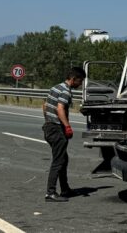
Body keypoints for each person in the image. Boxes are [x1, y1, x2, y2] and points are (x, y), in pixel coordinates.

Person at [42, 67, 85, 202]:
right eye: (80, 81)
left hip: (49, 126)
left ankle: (65, 188)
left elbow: (45, 105)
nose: (81, 84)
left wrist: (48, 120)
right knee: (58, 161)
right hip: (56, 130)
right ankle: (50, 192)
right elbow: (60, 108)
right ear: (73, 79)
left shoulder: (55, 87)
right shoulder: (66, 91)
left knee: (63, 159)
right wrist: (67, 127)